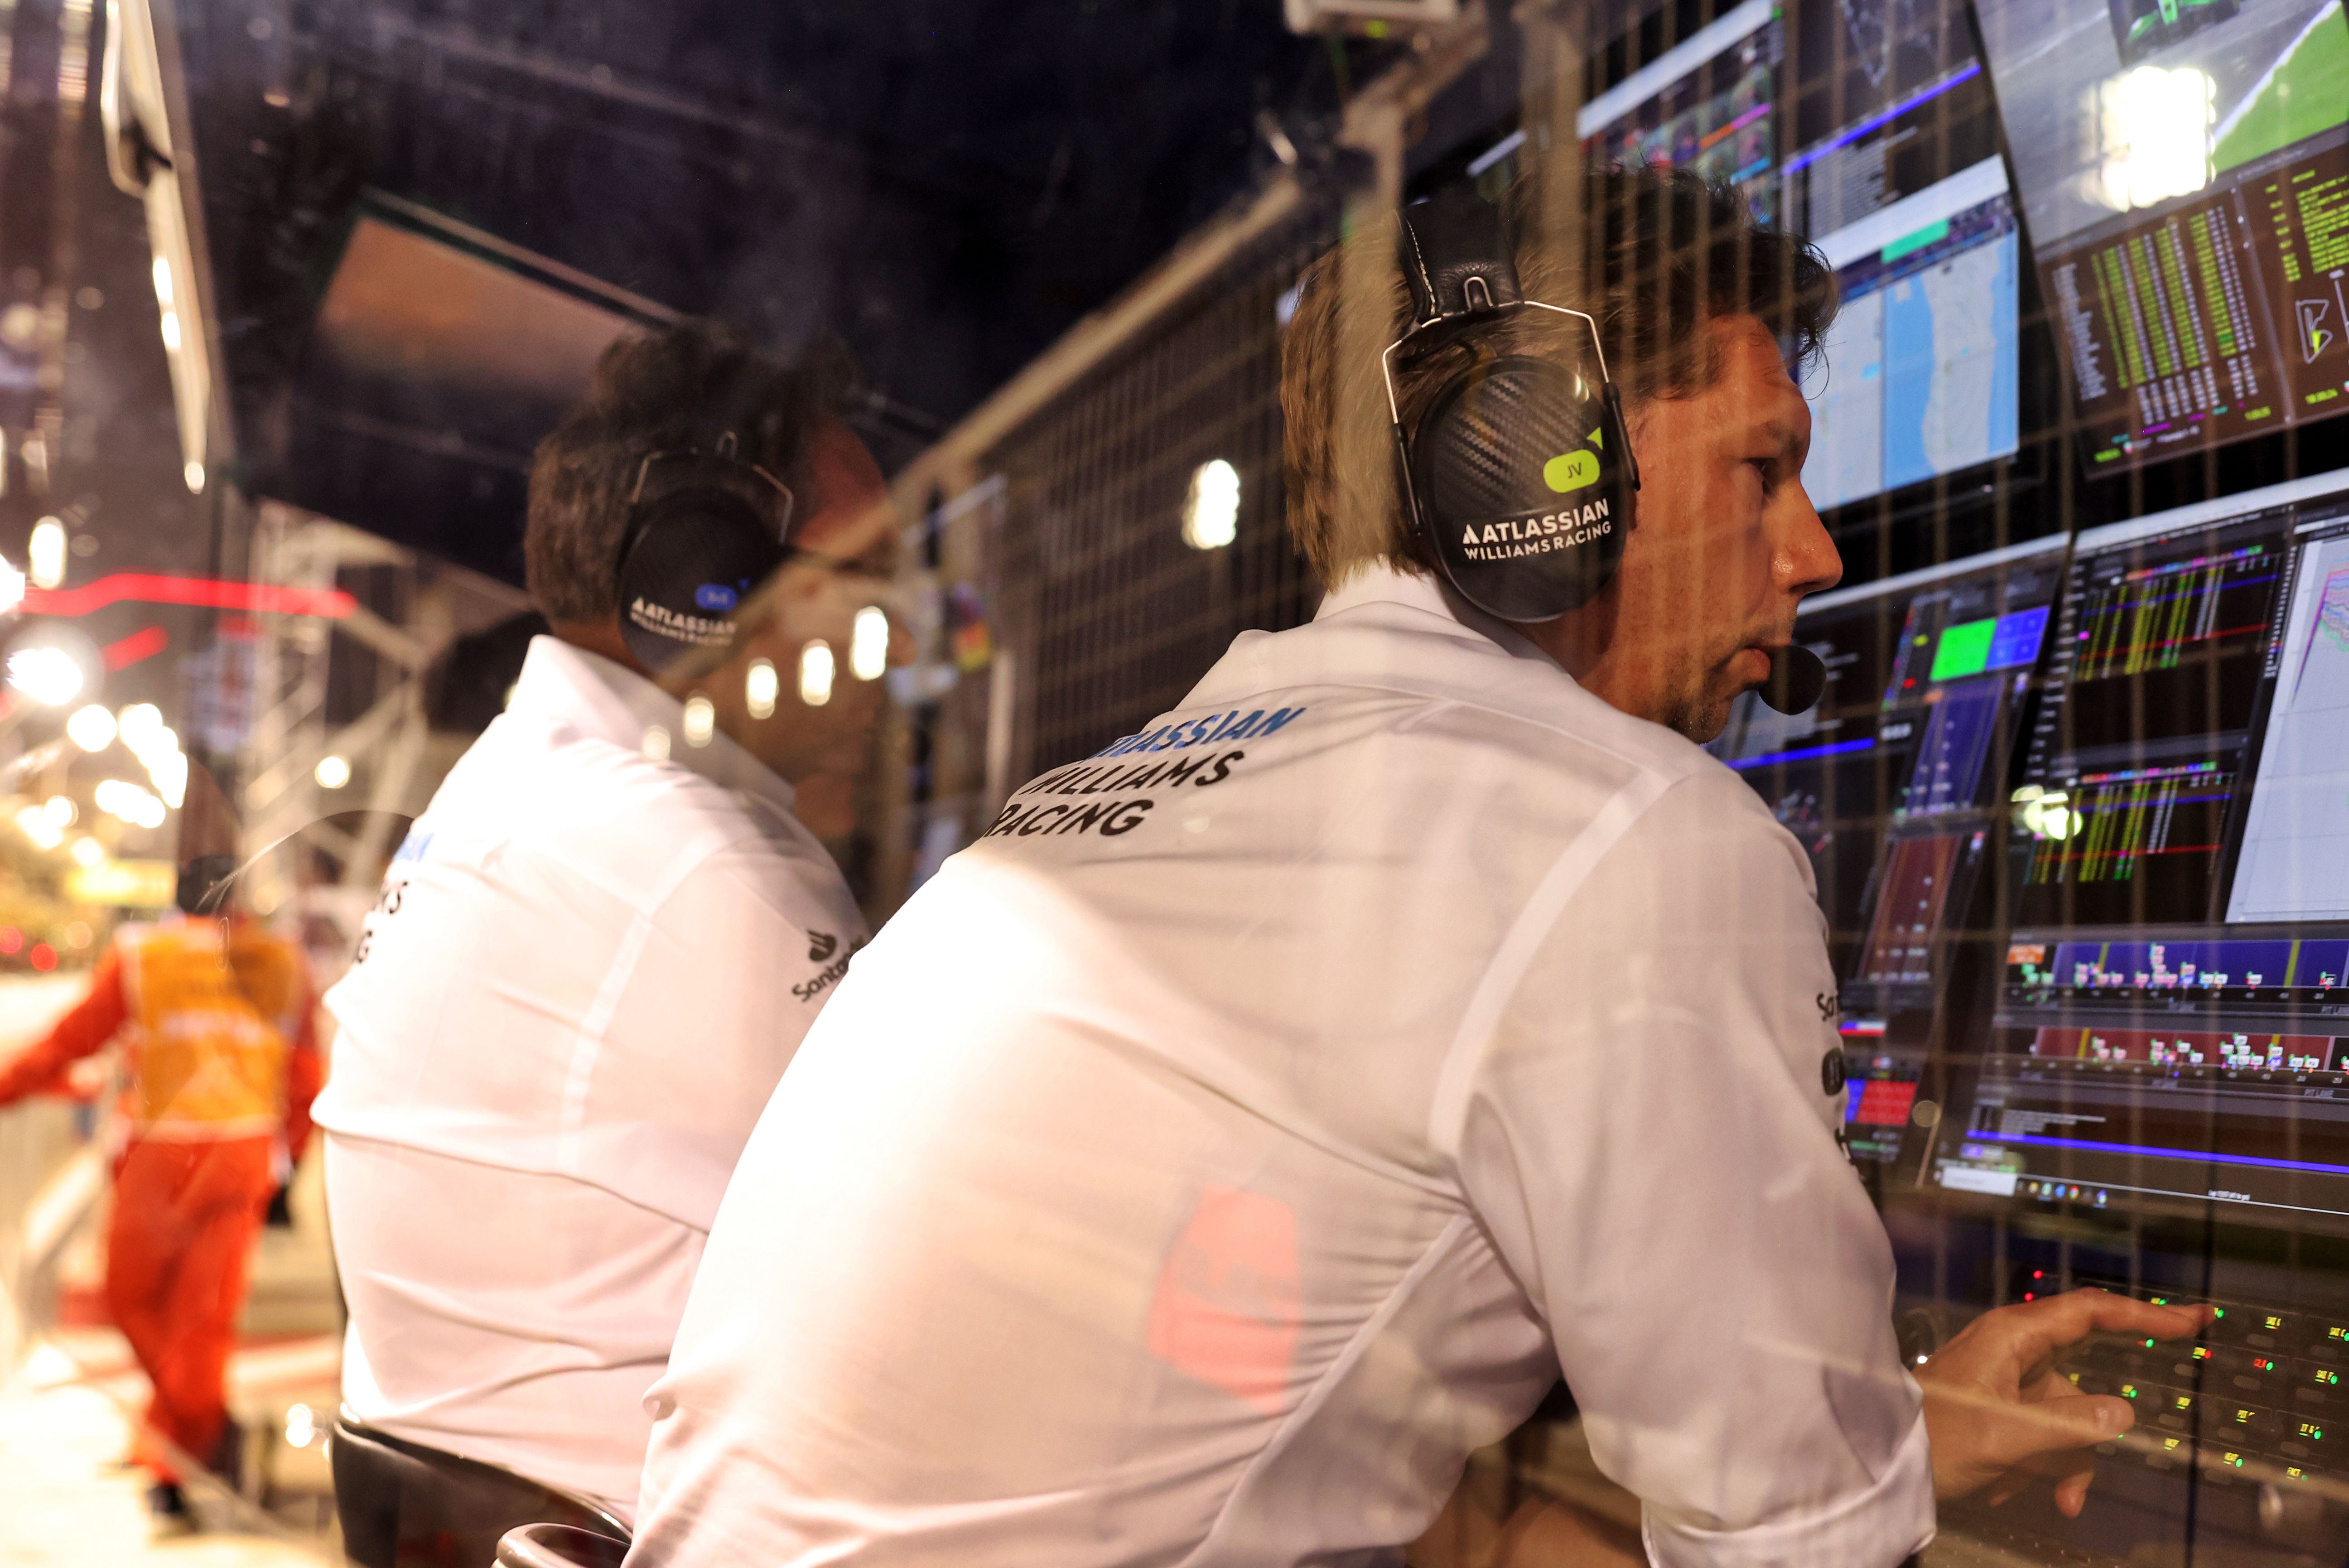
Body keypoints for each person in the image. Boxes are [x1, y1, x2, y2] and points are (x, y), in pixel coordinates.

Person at [620, 167, 2203, 1568]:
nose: (1814, 553)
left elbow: (1282, 1442)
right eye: (1760, 469)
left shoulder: (1091, 800)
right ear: (1530, 465)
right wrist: (1867, 1469)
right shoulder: (1633, 828)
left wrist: (1872, 1448)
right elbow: (1793, 1547)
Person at [311, 321, 897, 1555]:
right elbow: (931, 1272)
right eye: (867, 586)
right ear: (700, 582)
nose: (888, 655)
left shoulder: (509, 790)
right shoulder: (711, 862)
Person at [0, 863, 321, 1530]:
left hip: (158, 1156)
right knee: (202, 1322)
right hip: (240, 1154)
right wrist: (285, 1159)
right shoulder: (283, 960)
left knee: (133, 1300)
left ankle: (176, 1460)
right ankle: (194, 1435)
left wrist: (7, 1087)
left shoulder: (144, 953)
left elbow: (70, 1041)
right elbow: (306, 1070)